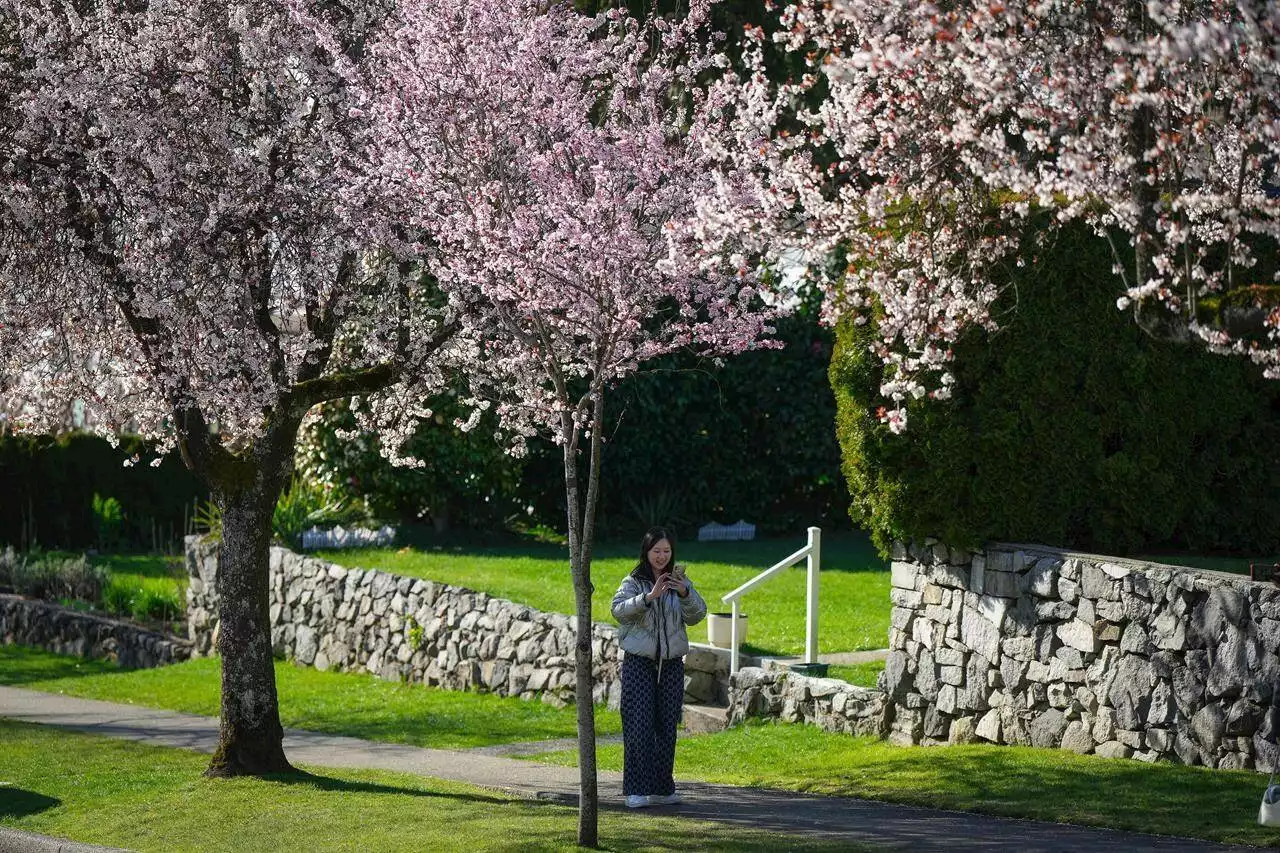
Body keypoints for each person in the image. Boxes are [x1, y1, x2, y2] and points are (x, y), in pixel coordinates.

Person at [610, 526, 707, 809]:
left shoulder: (679, 581)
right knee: (639, 727)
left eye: (666, 551)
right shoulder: (633, 581)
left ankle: (662, 789)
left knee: (667, 728)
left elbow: (698, 614)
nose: (662, 557)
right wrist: (648, 597)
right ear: (646, 552)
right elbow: (617, 610)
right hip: (639, 663)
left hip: (672, 664)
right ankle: (636, 791)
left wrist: (686, 592)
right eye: (656, 551)